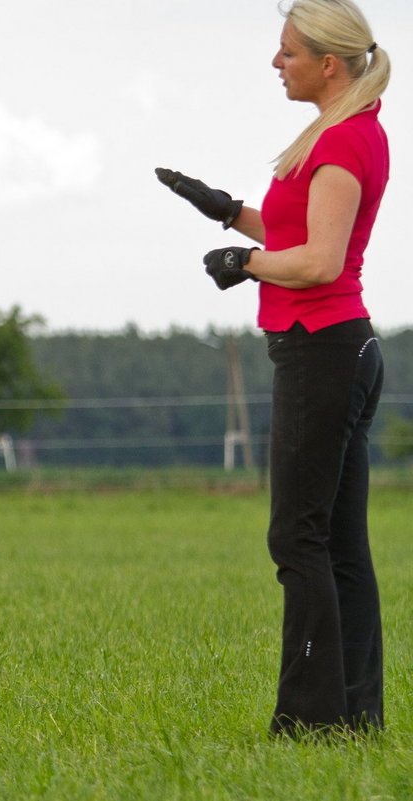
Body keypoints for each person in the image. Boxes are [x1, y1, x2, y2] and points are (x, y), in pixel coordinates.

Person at [157, 0, 389, 738]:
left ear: (328, 62)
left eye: (287, 52)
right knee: (338, 542)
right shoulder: (341, 132)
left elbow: (318, 260)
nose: (275, 63)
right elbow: (300, 231)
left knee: (297, 538)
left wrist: (245, 265)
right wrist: (225, 211)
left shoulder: (344, 141)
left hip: (323, 347)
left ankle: (310, 721)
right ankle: (355, 716)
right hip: (336, 346)